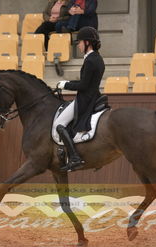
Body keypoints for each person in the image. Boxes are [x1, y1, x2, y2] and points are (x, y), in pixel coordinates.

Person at [55, 26, 104, 172]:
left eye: (80, 42)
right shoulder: (98, 58)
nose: (79, 45)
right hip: (94, 95)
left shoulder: (90, 61)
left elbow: (83, 85)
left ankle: (75, 158)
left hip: (85, 99)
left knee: (59, 124)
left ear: (88, 43)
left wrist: (65, 84)